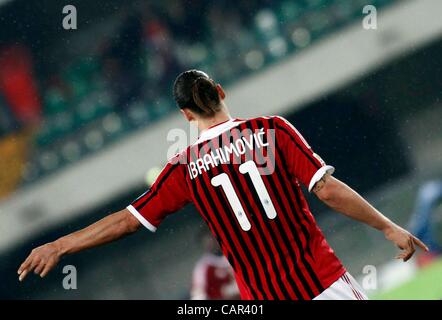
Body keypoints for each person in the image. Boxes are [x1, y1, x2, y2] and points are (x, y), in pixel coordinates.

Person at [18, 70, 428, 300]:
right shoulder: (271, 131)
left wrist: (60, 245)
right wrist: (389, 226)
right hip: (321, 283)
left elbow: (127, 221)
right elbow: (327, 190)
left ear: (185, 114)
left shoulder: (184, 168)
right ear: (220, 91)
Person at [191, 227, 240, 300]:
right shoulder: (203, 267)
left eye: (212, 238)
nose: (211, 243)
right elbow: (198, 294)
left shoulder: (237, 253)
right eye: (207, 241)